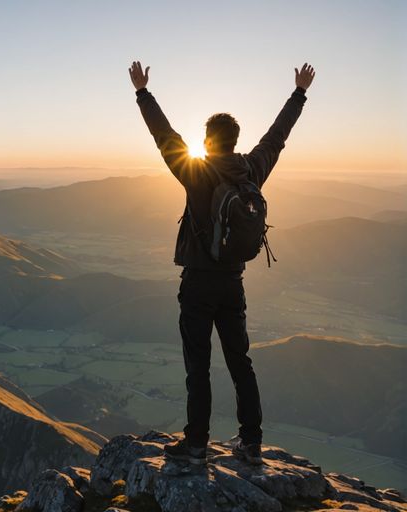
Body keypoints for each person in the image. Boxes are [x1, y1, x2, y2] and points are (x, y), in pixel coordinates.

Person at [128, 60, 315, 465]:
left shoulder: (196, 171)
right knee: (240, 362)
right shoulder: (252, 169)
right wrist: (299, 93)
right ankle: (251, 443)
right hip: (233, 282)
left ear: (207, 140)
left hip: (197, 283)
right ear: (235, 140)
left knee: (199, 366)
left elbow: (164, 136)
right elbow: (277, 136)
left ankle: (196, 445)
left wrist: (143, 93)